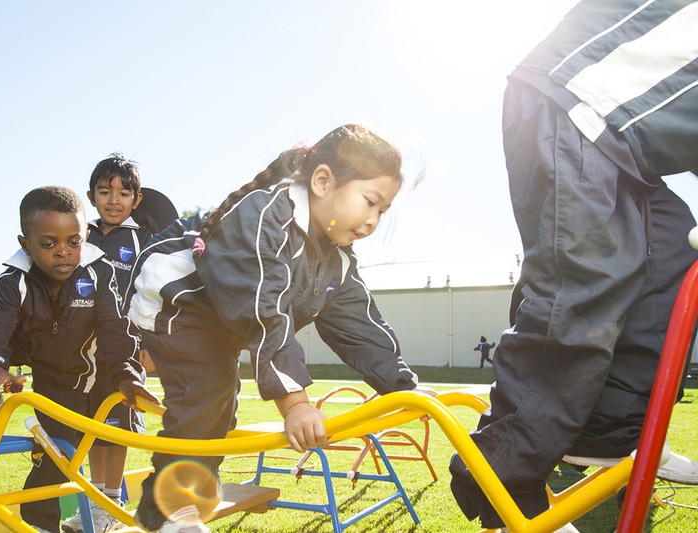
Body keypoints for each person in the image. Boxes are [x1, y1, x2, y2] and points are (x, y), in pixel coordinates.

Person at [448, 2, 698, 531]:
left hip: (634, 149)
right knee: (586, 283)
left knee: (674, 259)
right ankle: (499, 478)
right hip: (572, 99)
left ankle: (605, 436)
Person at [125, 124, 435, 533]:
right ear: (323, 181)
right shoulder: (265, 214)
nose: (373, 221)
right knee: (208, 392)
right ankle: (167, 511)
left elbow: (358, 322)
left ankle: (191, 484)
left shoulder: (334, 256)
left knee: (222, 405)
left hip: (223, 319)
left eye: (383, 211)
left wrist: (401, 383)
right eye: (370, 202)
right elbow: (264, 309)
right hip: (178, 302)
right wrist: (295, 402)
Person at [0, 186, 159, 533]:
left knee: (58, 453)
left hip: (67, 372)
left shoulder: (99, 273)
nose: (64, 253)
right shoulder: (13, 280)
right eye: (48, 244)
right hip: (24, 346)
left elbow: (116, 331)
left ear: (85, 236)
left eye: (74, 242)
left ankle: (40, 525)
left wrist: (126, 376)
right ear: (26, 244)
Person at [61, 153, 178, 533]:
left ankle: (112, 501)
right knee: (91, 426)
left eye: (123, 192)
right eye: (104, 191)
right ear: (90, 196)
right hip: (82, 350)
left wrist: (148, 343)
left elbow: (153, 293)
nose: (114, 199)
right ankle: (97, 502)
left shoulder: (144, 240)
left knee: (117, 423)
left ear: (136, 199)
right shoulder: (80, 236)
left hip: (123, 348)